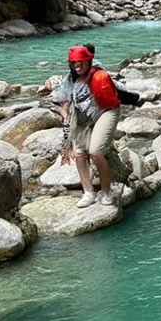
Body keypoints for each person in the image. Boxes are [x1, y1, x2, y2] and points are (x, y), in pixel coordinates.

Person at [51, 45, 138, 208]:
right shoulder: (70, 79)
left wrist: (134, 98)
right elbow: (63, 102)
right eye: (73, 63)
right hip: (82, 117)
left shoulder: (99, 74)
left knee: (96, 152)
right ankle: (88, 192)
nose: (76, 66)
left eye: (80, 62)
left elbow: (119, 90)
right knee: (79, 154)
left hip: (105, 112)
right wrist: (66, 124)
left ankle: (106, 191)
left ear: (88, 61)